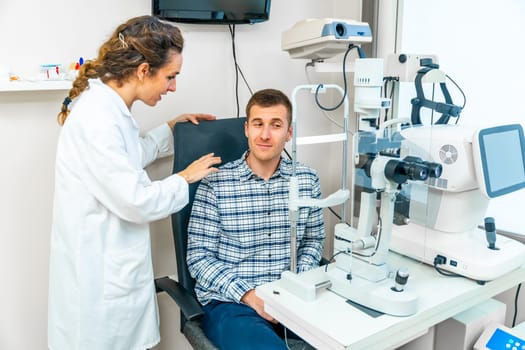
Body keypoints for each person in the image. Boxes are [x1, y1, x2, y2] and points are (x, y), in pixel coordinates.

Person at [47, 15, 222, 350]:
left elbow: (127, 159)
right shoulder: (98, 117)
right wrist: (186, 177)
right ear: (144, 70)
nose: (173, 87)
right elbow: (136, 200)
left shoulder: (110, 109)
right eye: (170, 77)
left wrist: (171, 127)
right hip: (98, 291)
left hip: (109, 280)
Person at [187, 88, 325, 349]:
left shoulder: (307, 180)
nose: (264, 134)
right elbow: (198, 257)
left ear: (289, 132)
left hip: (292, 297)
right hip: (233, 302)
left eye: (275, 125)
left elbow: (313, 239)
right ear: (246, 129)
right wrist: (249, 295)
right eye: (258, 124)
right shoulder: (216, 183)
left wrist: (298, 281)